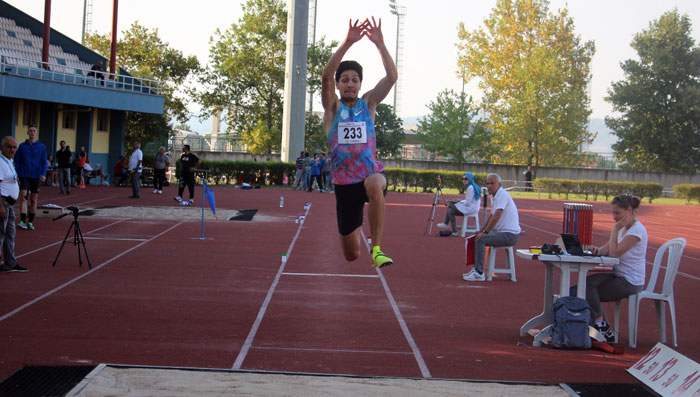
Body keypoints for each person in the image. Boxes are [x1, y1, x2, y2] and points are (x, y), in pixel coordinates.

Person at [321, 17, 397, 268]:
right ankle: (357, 228)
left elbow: (391, 76)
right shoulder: (332, 109)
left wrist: (380, 43)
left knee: (376, 183)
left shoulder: (369, 104)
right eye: (345, 80)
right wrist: (347, 42)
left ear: (360, 84)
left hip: (368, 175)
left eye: (355, 80)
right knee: (351, 254)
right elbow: (325, 76)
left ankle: (377, 249)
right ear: (339, 85)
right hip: (344, 184)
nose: (350, 84)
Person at [571, 195, 647, 343]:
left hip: (630, 281)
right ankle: (600, 326)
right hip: (617, 275)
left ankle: (600, 326)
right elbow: (607, 249)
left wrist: (614, 230)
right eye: (613, 213)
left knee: (584, 290)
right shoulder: (623, 228)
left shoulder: (636, 231)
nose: (614, 217)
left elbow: (614, 253)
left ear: (629, 210)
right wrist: (597, 250)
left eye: (617, 213)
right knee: (582, 286)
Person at [463, 173, 520, 281]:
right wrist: (481, 230)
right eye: (487, 183)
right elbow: (491, 215)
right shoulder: (495, 196)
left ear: (499, 184)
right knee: (477, 237)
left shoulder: (502, 195)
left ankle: (479, 273)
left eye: (492, 183)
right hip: (502, 233)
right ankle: (476, 269)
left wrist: (485, 232)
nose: (489, 186)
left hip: (509, 235)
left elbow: (497, 215)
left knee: (480, 240)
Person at [0, 137, 28, 272]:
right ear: (2, 147)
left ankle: (11, 262)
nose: (12, 150)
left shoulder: (9, 161)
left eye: (14, 147)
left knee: (10, 233)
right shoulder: (0, 162)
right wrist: (0, 206)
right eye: (9, 147)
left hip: (10, 203)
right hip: (3, 202)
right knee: (1, 233)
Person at [14, 124, 47, 231]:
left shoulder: (41, 147)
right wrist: (17, 174)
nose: (32, 133)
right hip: (24, 175)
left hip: (36, 176)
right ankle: (22, 221)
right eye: (30, 131)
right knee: (23, 197)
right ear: (27, 133)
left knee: (33, 199)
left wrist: (43, 174)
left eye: (34, 131)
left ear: (36, 133)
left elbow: (44, 162)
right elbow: (17, 161)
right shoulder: (22, 146)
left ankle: (31, 222)